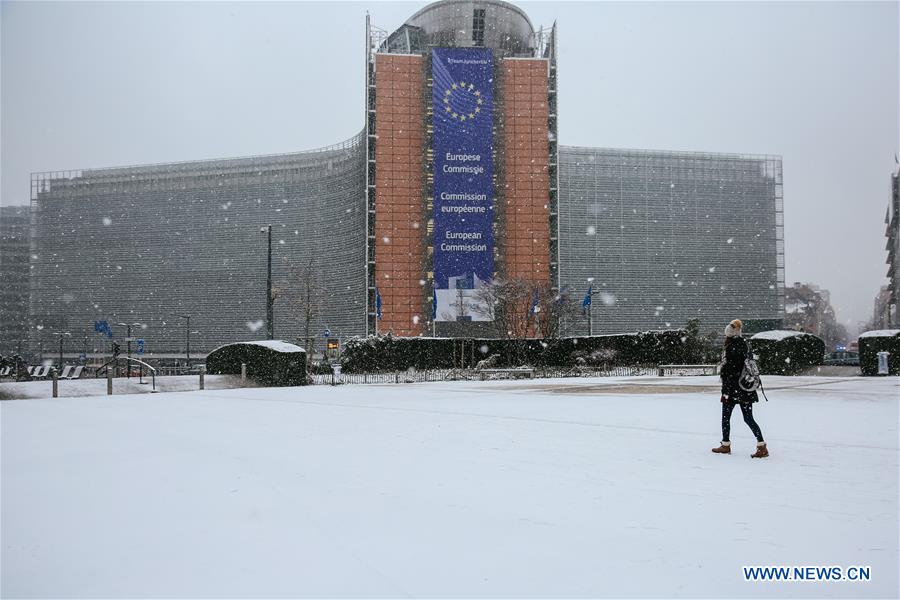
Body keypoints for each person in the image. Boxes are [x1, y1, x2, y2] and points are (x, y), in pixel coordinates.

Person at [712, 319, 769, 458]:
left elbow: (730, 370)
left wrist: (725, 386)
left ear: (730, 334)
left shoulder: (732, 346)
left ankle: (726, 445)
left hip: (733, 389)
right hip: (745, 388)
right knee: (748, 418)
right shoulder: (744, 344)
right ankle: (761, 445)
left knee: (726, 417)